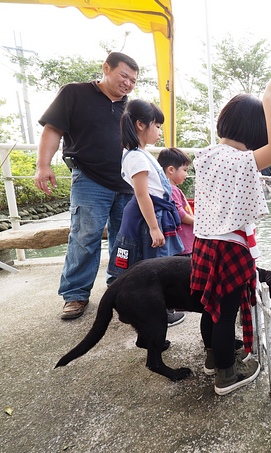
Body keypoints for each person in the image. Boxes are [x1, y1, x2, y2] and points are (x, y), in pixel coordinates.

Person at [190, 76, 271, 395]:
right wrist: (270, 99)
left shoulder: (205, 156)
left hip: (203, 244)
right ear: (255, 133)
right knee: (225, 314)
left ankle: (211, 359)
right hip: (229, 248)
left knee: (210, 308)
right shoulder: (243, 161)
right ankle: (226, 376)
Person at [34, 52, 138, 320]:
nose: (128, 83)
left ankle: (121, 286)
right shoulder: (74, 93)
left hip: (127, 182)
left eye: (133, 80)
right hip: (90, 178)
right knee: (84, 237)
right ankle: (76, 294)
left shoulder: (131, 107)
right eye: (123, 75)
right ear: (106, 68)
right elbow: (52, 130)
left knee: (125, 239)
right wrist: (43, 166)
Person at [107, 100, 185, 327]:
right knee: (153, 264)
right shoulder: (135, 157)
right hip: (148, 216)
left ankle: (162, 308)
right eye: (157, 125)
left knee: (159, 261)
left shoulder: (141, 153)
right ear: (141, 125)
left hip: (156, 212)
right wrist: (153, 227)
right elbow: (143, 195)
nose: (160, 131)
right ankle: (156, 312)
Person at [157, 147, 195, 256]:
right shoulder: (171, 190)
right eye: (185, 170)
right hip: (183, 244)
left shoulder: (170, 188)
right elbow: (180, 214)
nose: (186, 175)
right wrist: (197, 222)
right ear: (171, 170)